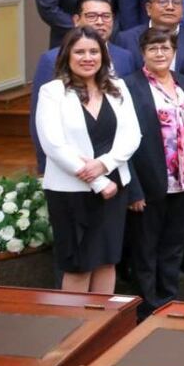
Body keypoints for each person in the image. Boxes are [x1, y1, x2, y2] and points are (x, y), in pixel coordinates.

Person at [36, 27, 141, 293]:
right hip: (72, 191)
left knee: (107, 261)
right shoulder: (52, 91)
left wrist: (105, 164)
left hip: (114, 189)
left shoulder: (117, 86)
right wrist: (97, 180)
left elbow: (132, 134)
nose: (87, 57)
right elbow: (53, 144)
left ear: (103, 55)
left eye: (94, 51)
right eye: (79, 51)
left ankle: (102, 330)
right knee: (79, 266)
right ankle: (73, 332)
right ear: (67, 55)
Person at [123, 28, 184, 318]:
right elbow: (123, 142)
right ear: (142, 53)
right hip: (149, 183)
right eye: (153, 49)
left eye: (165, 48)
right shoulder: (129, 86)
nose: (160, 53)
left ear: (174, 52)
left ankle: (169, 300)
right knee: (146, 248)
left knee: (174, 245)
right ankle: (147, 307)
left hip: (183, 180)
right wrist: (132, 189)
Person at [31, 0, 139, 172]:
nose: (99, 22)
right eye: (91, 16)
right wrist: (44, 165)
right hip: (70, 166)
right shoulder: (51, 59)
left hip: (116, 163)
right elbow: (39, 121)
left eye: (106, 16)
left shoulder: (125, 56)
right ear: (76, 20)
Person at [115, 0, 184, 79]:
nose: (170, 7)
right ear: (149, 8)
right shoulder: (126, 39)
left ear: (183, 10)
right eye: (162, 2)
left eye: (176, 2)